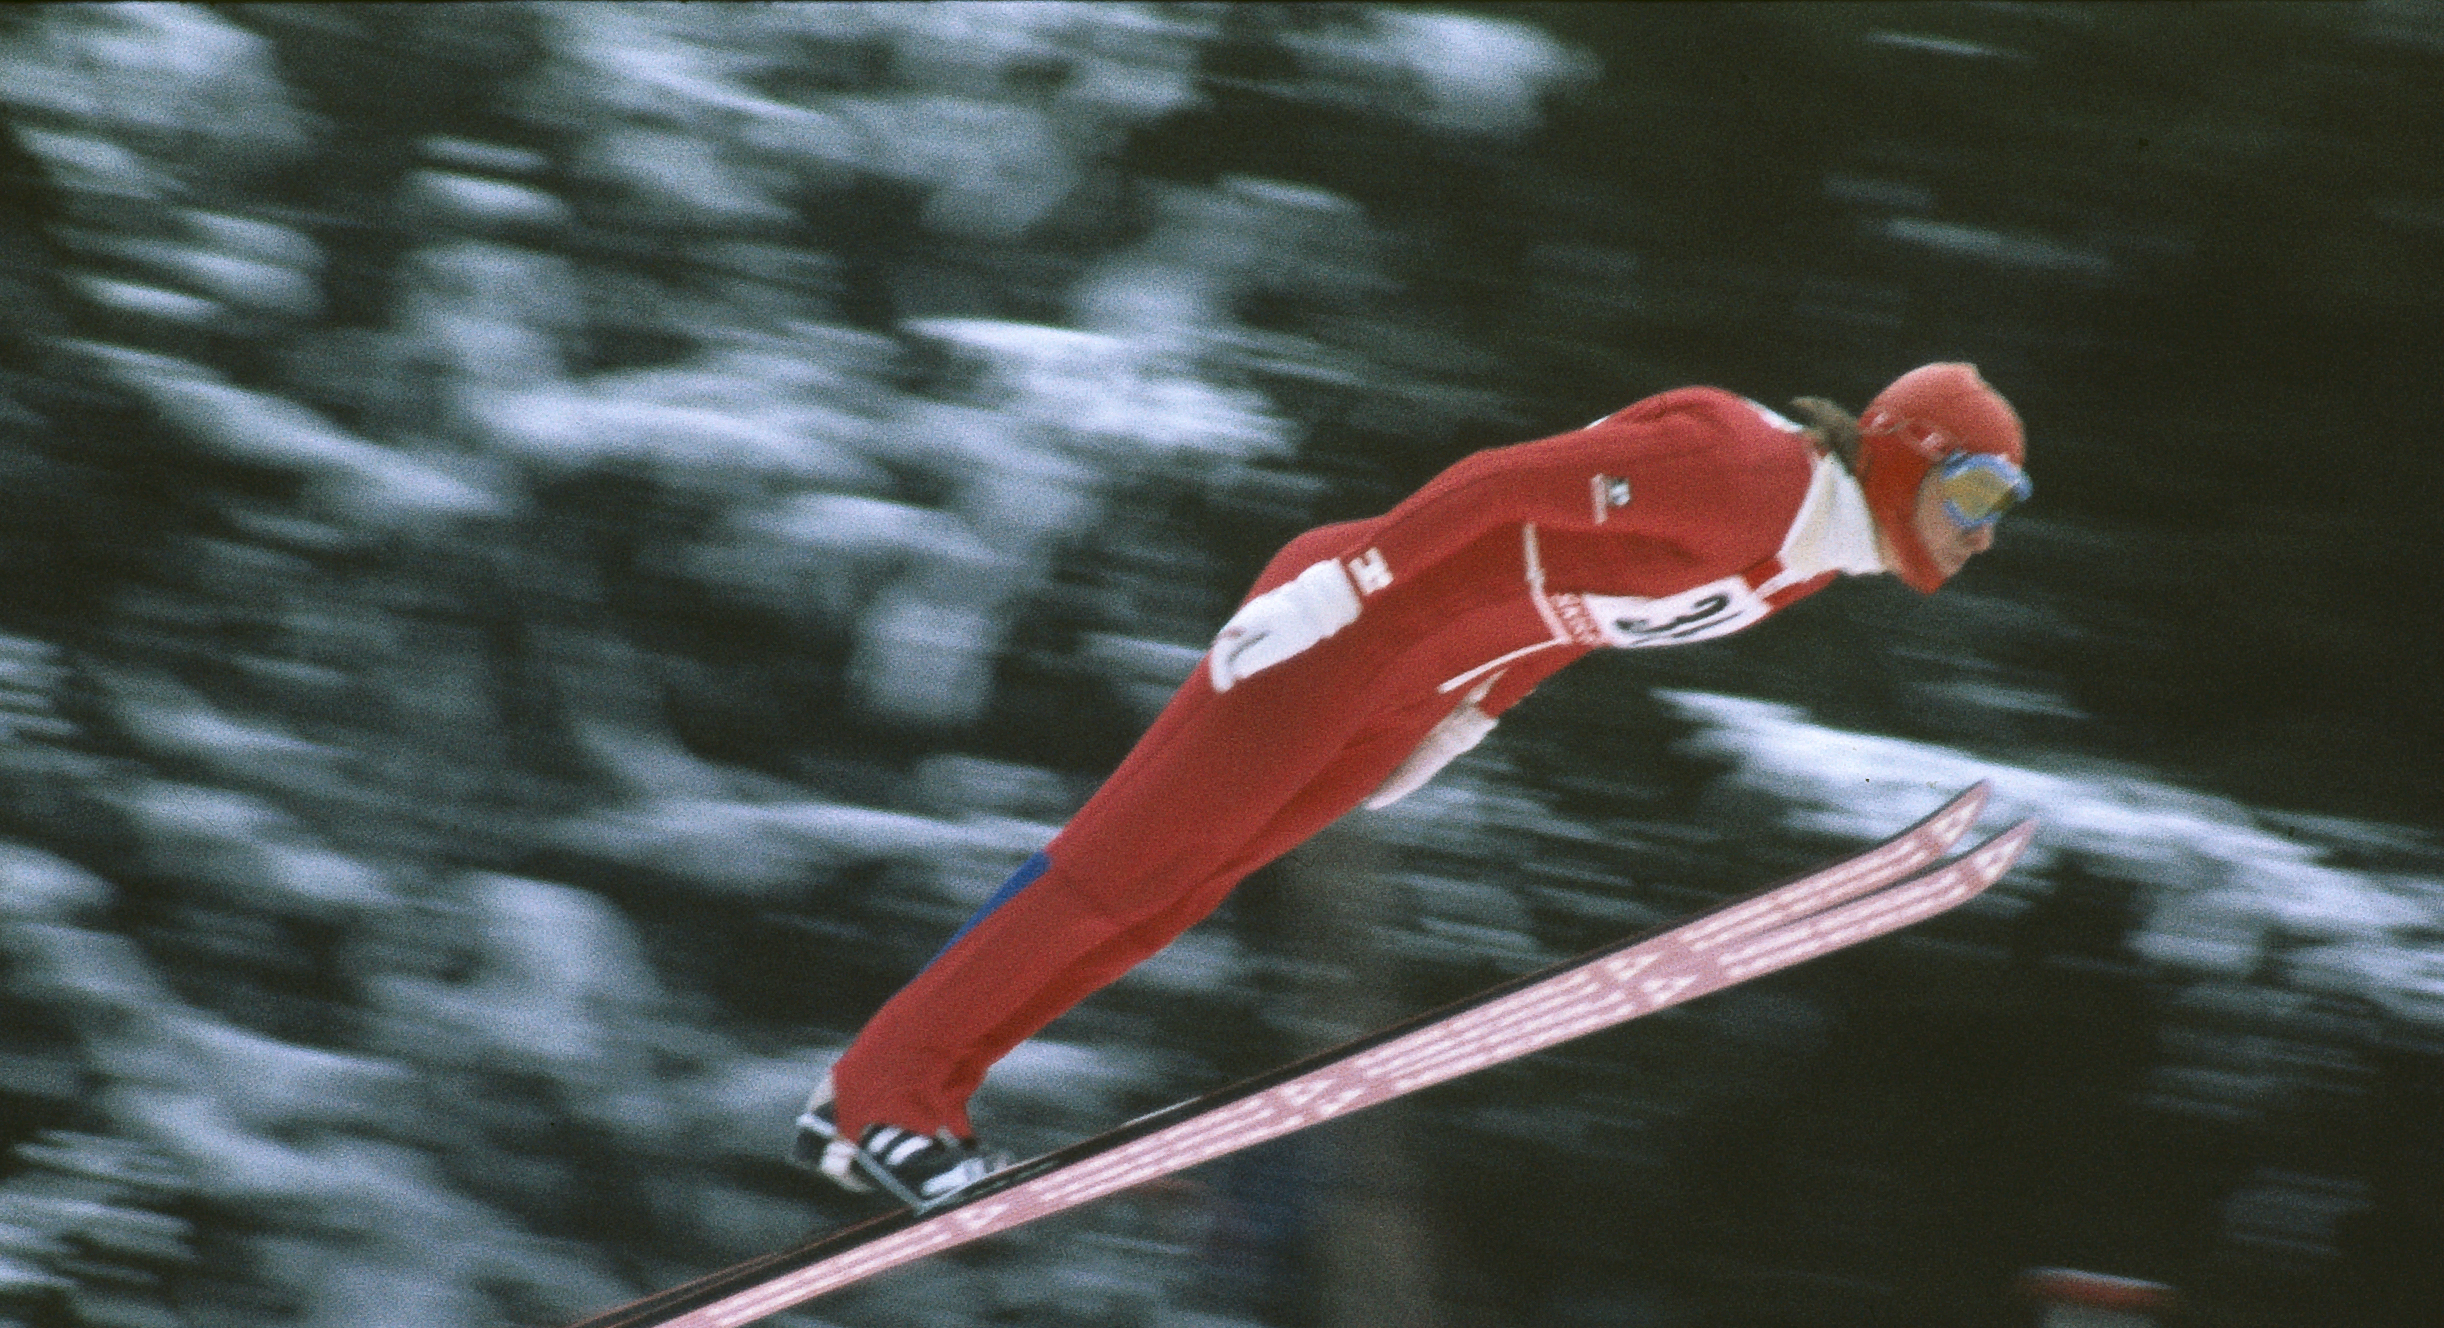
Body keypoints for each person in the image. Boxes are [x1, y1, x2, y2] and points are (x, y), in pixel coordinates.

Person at [795, 361, 2029, 1208]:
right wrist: (1344, 588)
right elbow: (1502, 484)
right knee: (1126, 864)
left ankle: (916, 1108)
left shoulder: (1800, 565)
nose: (1980, 535)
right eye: (1973, 495)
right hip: (1343, 631)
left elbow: (1576, 606)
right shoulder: (1743, 470)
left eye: (1999, 513)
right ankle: (877, 1098)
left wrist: (1470, 717)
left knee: (1179, 892)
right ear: (1904, 455)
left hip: (1410, 682)